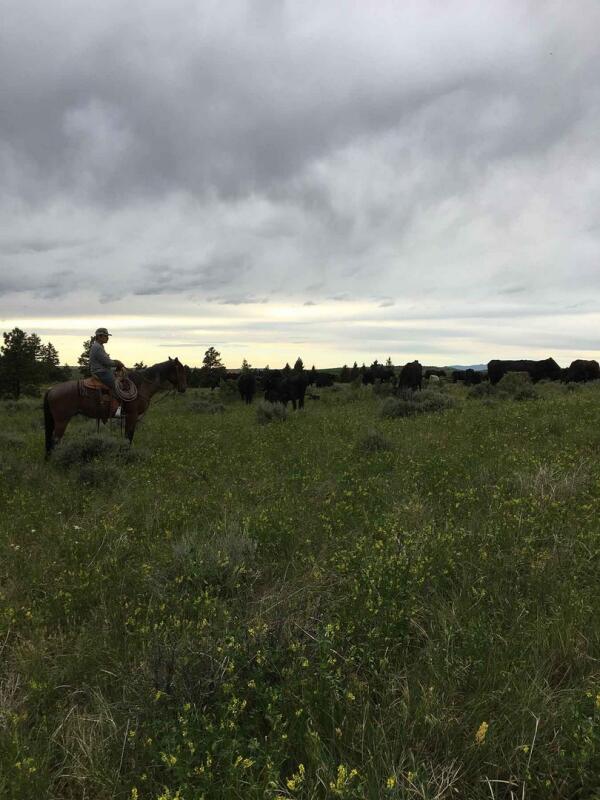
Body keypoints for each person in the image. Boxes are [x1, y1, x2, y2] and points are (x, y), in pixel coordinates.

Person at [89, 327, 126, 416]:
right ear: (99, 336)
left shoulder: (99, 346)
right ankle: (118, 410)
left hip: (101, 370)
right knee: (118, 386)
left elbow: (105, 362)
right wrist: (117, 363)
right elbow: (107, 362)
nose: (107, 338)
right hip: (101, 372)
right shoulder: (97, 347)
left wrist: (115, 364)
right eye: (105, 336)